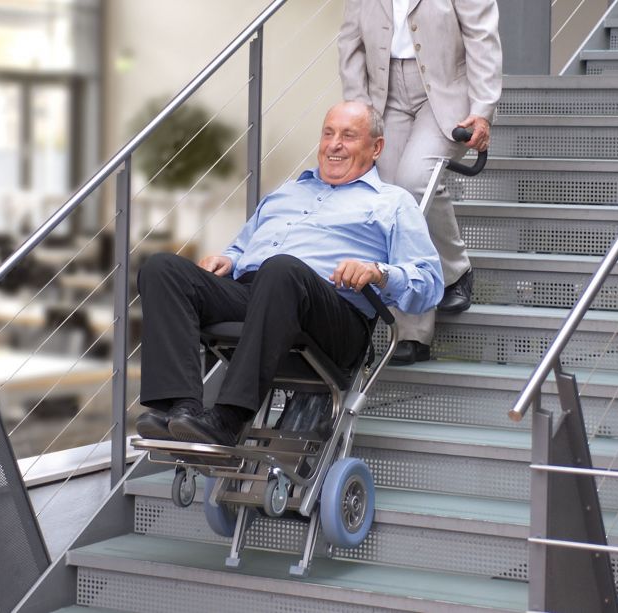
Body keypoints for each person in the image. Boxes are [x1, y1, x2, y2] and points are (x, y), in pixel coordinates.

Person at [134, 101, 444, 447]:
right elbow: (243, 247)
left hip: (333, 313)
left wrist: (379, 272)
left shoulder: (393, 202)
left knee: (282, 270)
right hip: (261, 293)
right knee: (162, 268)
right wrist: (230, 261)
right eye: (328, 133)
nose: (334, 144)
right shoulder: (286, 192)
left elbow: (430, 284)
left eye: (348, 135)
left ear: (376, 148)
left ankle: (228, 418)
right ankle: (181, 410)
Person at [338, 0, 502, 365]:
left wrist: (483, 108)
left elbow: (482, 38)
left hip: (445, 95)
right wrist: (359, 109)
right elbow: (350, 45)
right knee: (392, 197)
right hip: (384, 97)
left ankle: (454, 269)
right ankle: (411, 333)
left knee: (414, 181)